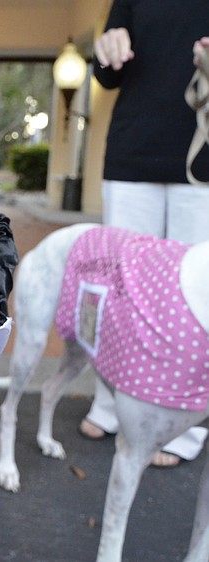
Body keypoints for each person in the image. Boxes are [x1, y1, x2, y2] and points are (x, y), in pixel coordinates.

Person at [84, 0, 209, 467]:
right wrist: (106, 51)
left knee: (192, 299)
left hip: (202, 162)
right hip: (132, 154)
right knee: (118, 287)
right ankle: (109, 403)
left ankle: (185, 425)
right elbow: (108, 73)